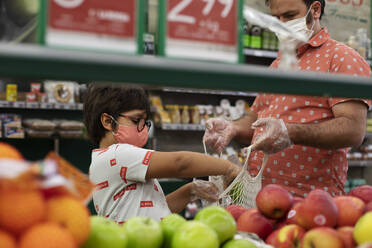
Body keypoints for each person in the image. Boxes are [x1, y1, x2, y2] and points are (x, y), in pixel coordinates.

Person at [204, 0, 371, 198]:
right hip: (257, 198)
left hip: (309, 203)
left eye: (290, 16)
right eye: (276, 18)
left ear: (315, 10)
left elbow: (353, 130)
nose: (281, 24)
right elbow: (255, 122)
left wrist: (290, 132)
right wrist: (233, 128)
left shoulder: (342, 58)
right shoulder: (278, 64)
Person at [83, 84, 241, 223]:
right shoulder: (118, 155)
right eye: (136, 120)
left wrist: (190, 191)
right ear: (108, 121)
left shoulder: (101, 161)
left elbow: (154, 213)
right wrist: (228, 168)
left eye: (145, 123)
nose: (143, 129)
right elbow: (181, 163)